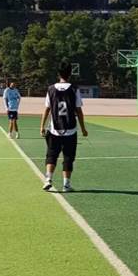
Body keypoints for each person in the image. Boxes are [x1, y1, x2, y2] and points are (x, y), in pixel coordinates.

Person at [40, 62, 88, 192]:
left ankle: (48, 179)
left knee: (51, 155)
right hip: (70, 129)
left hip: (54, 129)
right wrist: (83, 128)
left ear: (58, 74)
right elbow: (79, 111)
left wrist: (42, 126)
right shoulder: (74, 89)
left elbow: (47, 109)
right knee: (68, 157)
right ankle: (66, 184)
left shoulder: (51, 89)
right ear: (70, 73)